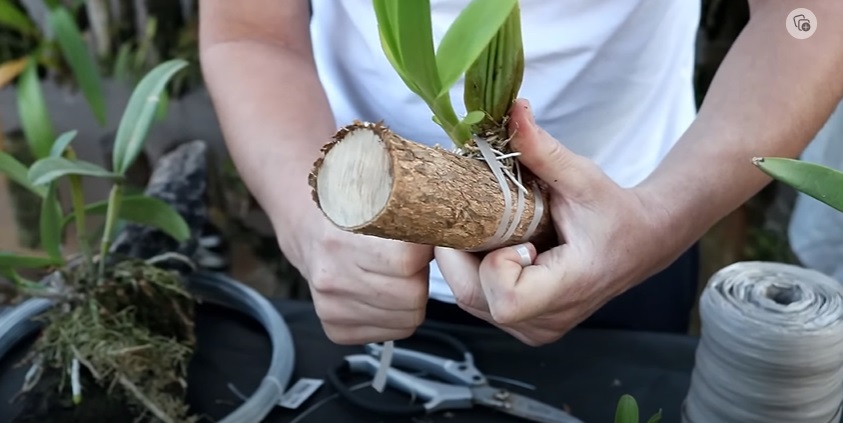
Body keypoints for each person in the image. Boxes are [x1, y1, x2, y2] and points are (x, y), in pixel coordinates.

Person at [198, 0, 843, 346]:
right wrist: (309, 224)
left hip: (634, 223)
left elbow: (809, 18)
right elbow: (250, 27)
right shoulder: (340, 248)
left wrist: (663, 216)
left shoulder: (647, 222)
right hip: (361, 251)